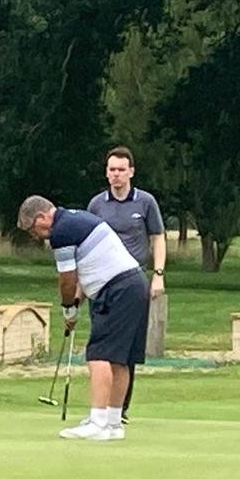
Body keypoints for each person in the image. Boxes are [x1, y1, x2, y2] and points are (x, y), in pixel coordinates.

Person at [17, 195, 150, 441]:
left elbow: (67, 279)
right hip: (134, 285)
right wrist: (77, 302)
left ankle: (98, 422)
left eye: (33, 229)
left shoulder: (61, 232)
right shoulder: (76, 219)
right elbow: (87, 272)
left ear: (42, 217)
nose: (35, 236)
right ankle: (113, 424)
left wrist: (68, 307)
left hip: (118, 289)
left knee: (99, 354)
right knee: (119, 359)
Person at [86, 146, 166, 423]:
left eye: (121, 170)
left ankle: (119, 410)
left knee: (126, 348)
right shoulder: (97, 204)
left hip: (133, 282)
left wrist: (158, 274)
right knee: (101, 347)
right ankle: (101, 409)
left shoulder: (145, 202)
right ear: (106, 173)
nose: (116, 175)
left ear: (131, 172)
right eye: (112, 170)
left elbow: (157, 237)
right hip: (102, 283)